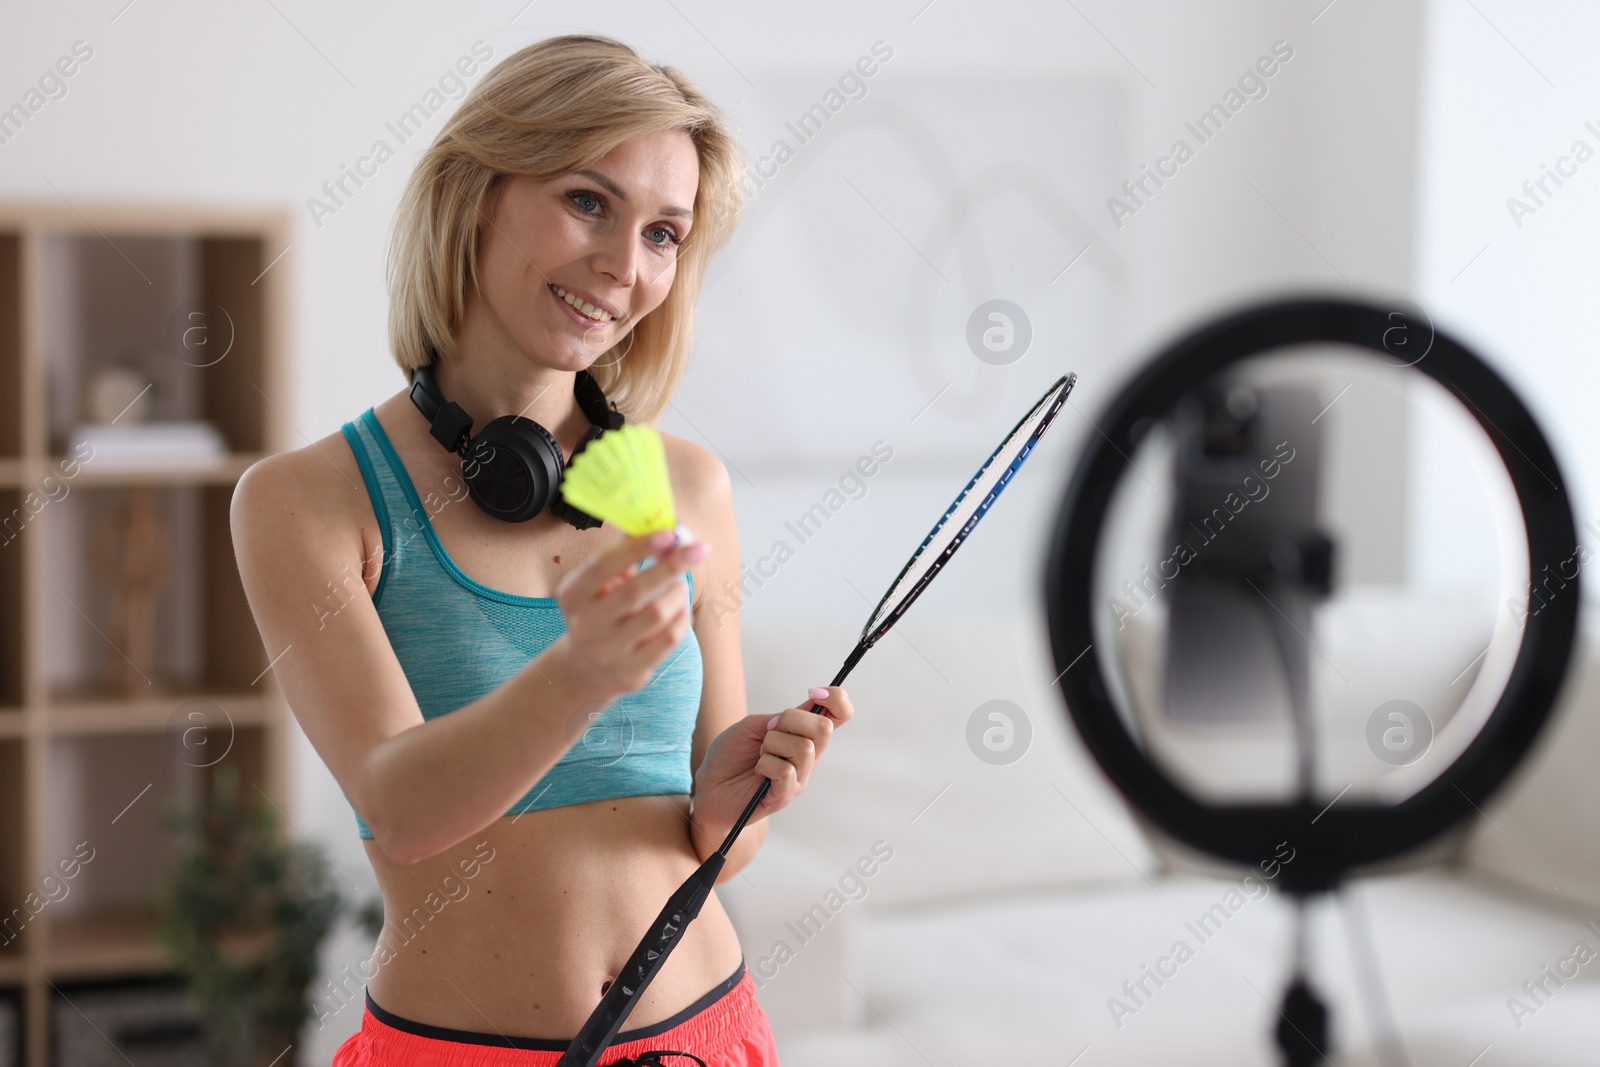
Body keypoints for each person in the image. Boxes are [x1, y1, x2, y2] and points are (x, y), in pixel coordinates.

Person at [230, 34, 853, 1066]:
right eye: (586, 201)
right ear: (476, 194)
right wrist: (579, 674)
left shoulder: (687, 486)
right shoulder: (304, 501)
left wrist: (736, 800)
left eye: (664, 233)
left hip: (707, 1031)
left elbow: (720, 846)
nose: (623, 267)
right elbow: (399, 806)